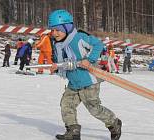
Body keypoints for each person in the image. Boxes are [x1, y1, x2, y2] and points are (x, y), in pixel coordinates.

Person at [48, 9, 122, 140]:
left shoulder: (79, 38)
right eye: (52, 30)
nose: (54, 33)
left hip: (89, 81)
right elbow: (64, 63)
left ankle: (114, 123)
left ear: (67, 27)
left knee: (93, 108)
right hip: (73, 82)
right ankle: (73, 131)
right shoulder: (58, 45)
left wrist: (90, 59)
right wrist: (56, 68)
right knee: (66, 104)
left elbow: (98, 45)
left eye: (57, 29)